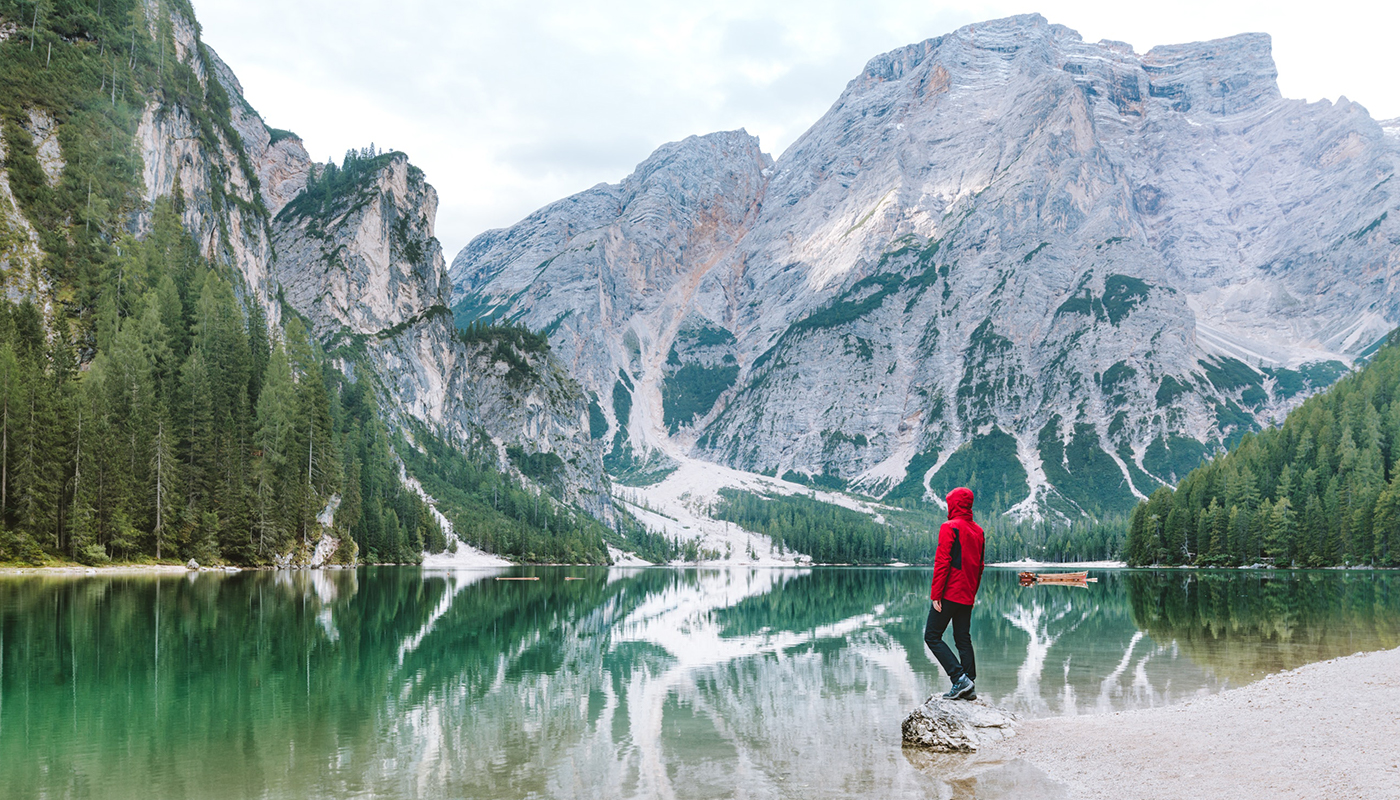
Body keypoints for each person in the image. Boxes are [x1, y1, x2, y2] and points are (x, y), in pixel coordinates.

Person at [924, 486, 986, 700]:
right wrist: (973, 592)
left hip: (950, 592)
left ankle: (959, 679)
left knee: (932, 636)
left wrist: (936, 594)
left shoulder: (949, 527)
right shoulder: (978, 531)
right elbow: (980, 566)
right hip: (967, 593)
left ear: (954, 504)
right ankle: (969, 683)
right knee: (962, 637)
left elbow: (943, 562)